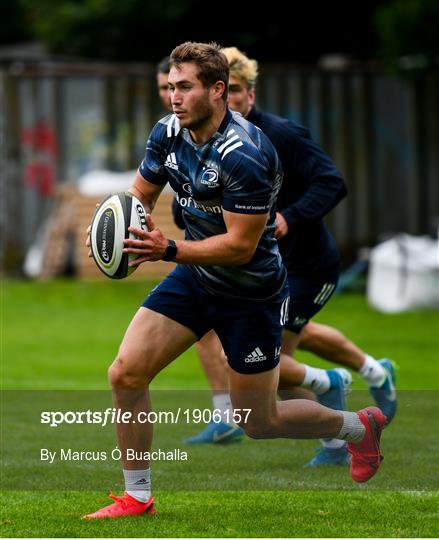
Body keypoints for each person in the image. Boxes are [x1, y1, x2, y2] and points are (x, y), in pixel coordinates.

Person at [83, 42, 387, 519]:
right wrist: (116, 225)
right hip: (194, 278)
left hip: (250, 294)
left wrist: (165, 249)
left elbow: (239, 246)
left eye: (185, 87)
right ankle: (137, 497)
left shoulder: (245, 152)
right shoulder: (167, 131)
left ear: (218, 90)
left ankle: (357, 427)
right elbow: (140, 192)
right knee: (126, 372)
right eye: (170, 87)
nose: (173, 97)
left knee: (258, 421)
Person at [182, 46, 397, 467]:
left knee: (267, 364)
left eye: (238, 91)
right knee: (281, 348)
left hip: (308, 266)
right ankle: (367, 373)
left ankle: (337, 428)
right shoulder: (203, 141)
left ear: (248, 93)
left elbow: (332, 182)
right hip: (260, 271)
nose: (231, 101)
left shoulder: (280, 135)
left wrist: (290, 217)